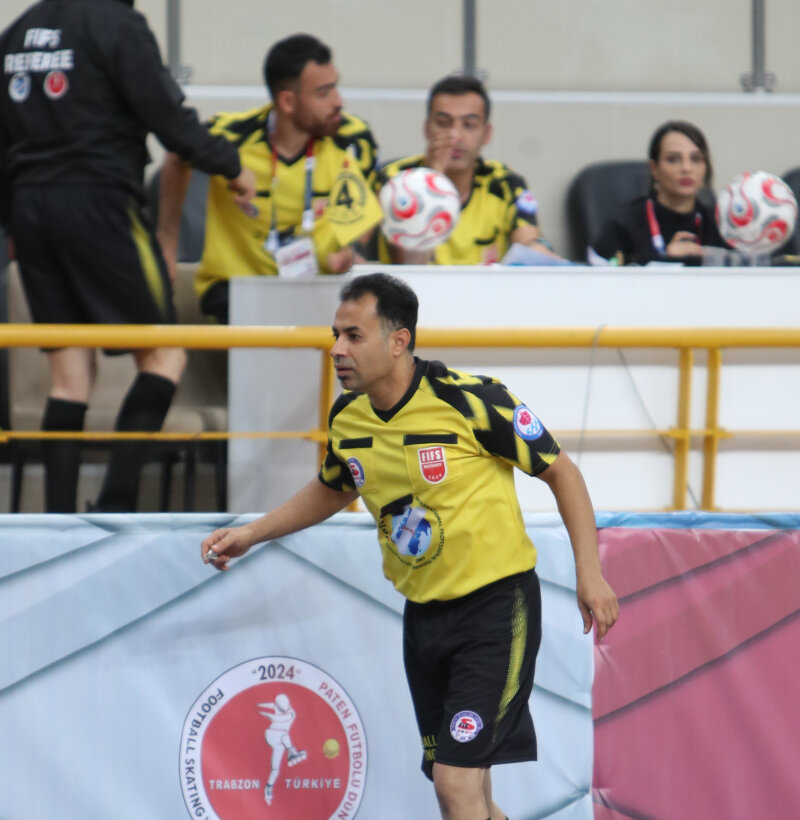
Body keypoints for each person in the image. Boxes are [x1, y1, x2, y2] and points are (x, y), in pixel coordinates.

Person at [201, 272, 619, 820]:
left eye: (352, 334)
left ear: (399, 340)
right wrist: (254, 532)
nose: (337, 349)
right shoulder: (350, 417)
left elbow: (562, 471)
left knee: (457, 783)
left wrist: (590, 572)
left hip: (496, 610)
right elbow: (335, 488)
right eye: (335, 334)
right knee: (466, 795)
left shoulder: (471, 399)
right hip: (423, 619)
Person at [0, 0, 256, 513]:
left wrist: (13, 218)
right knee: (165, 355)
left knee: (70, 375)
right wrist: (229, 164)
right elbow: (167, 115)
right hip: (99, 202)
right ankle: (114, 504)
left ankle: (58, 520)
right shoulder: (116, 23)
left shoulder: (17, 33)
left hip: (30, 208)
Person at [158, 34, 382, 325]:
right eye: (323, 93)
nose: (338, 102)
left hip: (318, 287)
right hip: (237, 288)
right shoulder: (232, 136)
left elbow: (364, 212)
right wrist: (167, 244)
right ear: (287, 101)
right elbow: (177, 156)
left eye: (335, 87)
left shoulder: (354, 139)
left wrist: (349, 252)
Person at [375, 74, 561, 266]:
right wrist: (433, 177)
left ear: (486, 134)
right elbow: (409, 264)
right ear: (427, 129)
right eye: (443, 123)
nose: (455, 135)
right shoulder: (395, 180)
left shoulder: (505, 183)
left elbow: (529, 247)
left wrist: (541, 251)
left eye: (469, 125)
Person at [591, 120, 727, 265]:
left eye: (696, 159)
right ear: (654, 168)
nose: (686, 168)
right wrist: (665, 261)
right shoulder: (621, 225)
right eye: (673, 159)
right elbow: (597, 275)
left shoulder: (722, 225)